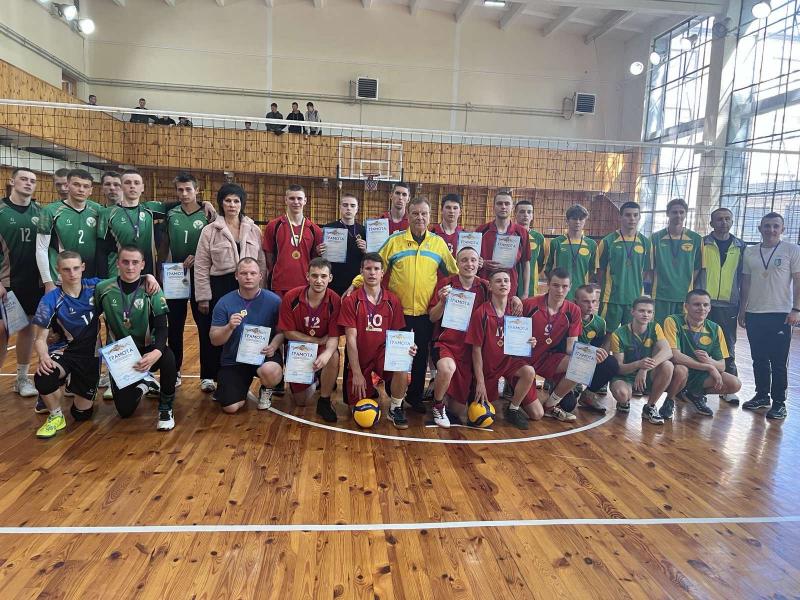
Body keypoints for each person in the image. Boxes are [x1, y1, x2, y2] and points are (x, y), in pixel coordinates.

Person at [347, 197, 458, 414]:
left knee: (420, 357)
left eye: (424, 213)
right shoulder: (395, 241)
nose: (420, 217)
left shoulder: (438, 244)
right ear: (408, 215)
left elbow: (454, 272)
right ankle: (395, 396)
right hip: (398, 313)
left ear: (430, 216)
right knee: (397, 356)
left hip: (425, 313)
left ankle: (415, 398)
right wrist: (355, 284)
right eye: (415, 213)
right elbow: (375, 265)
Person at [31, 251, 159, 438]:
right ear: (58, 270)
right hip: (65, 352)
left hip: (90, 357)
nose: (72, 273)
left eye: (76, 268)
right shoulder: (50, 299)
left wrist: (148, 276)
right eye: (66, 269)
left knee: (81, 414)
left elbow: (127, 278)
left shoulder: (96, 286)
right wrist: (43, 356)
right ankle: (55, 415)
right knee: (44, 376)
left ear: (83, 267)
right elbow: (40, 339)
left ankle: (72, 385)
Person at [94, 246, 176, 430]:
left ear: (143, 264)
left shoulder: (152, 288)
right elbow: (91, 318)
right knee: (125, 411)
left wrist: (157, 351)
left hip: (148, 348)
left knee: (168, 358)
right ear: (117, 263)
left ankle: (166, 407)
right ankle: (145, 383)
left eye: (135, 262)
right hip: (120, 354)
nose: (130, 267)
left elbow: (162, 327)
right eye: (125, 262)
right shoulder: (103, 288)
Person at [194, 183, 265, 393]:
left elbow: (261, 262)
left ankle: (239, 374)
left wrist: (261, 289)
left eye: (236, 201)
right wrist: (203, 296)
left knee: (243, 329)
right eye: (228, 201)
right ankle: (208, 375)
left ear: (242, 204)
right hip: (220, 286)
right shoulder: (210, 230)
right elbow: (201, 264)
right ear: (221, 203)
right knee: (214, 330)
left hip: (247, 286)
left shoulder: (254, 230)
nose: (232, 205)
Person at [339, 253, 416, 428]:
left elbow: (397, 336)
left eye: (376, 269)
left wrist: (408, 348)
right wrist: (357, 373)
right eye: (368, 268)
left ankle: (395, 408)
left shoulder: (393, 300)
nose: (372, 273)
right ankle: (368, 387)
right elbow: (350, 340)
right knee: (357, 410)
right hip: (361, 357)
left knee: (402, 361)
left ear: (382, 273)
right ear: (361, 272)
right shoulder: (351, 301)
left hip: (383, 354)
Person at [738, 212, 800, 420]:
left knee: (778, 362)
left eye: (775, 226)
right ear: (760, 228)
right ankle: (762, 395)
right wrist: (743, 309)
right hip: (755, 313)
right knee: (759, 358)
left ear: (782, 229)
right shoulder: (750, 251)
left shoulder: (792, 250)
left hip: (780, 314)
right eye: (767, 226)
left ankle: (779, 402)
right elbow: (746, 282)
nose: (771, 230)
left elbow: (798, 281)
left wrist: (796, 309)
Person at [99, 169, 215, 277]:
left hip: (148, 274)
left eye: (136, 183)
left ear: (142, 187)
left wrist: (204, 203)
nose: (132, 186)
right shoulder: (107, 213)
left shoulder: (150, 208)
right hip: (118, 274)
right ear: (121, 187)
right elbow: (101, 251)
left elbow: (185, 203)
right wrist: (102, 278)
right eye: (127, 182)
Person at [466, 270, 541, 430]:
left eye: (506, 281)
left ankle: (513, 409)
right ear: (490, 286)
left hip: (509, 362)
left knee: (530, 376)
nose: (503, 284)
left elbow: (520, 339)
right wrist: (480, 382)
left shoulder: (515, 310)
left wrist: (529, 342)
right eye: (498, 281)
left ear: (511, 285)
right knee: (485, 413)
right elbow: (476, 350)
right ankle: (486, 390)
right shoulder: (481, 313)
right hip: (488, 368)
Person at [209, 258, 283, 414]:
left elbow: (282, 332)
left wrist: (274, 345)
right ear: (236, 276)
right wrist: (229, 327)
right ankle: (236, 387)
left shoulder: (275, 301)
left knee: (270, 371)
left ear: (260, 276)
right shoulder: (224, 302)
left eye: (253, 273)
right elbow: (214, 340)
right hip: (234, 360)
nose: (248, 277)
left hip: (264, 356)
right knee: (230, 408)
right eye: (243, 273)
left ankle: (266, 389)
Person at [428, 246, 489, 427]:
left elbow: (504, 297)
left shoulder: (485, 286)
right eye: (464, 260)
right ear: (457, 263)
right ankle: (437, 405)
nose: (469, 264)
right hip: (446, 344)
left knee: (458, 411)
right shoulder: (446, 284)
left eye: (473, 260)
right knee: (447, 368)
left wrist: (515, 299)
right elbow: (432, 317)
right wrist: (442, 302)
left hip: (470, 348)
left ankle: (439, 391)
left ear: (478, 263)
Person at [161, 173, 210, 389]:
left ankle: (207, 375)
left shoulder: (208, 214)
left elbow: (214, 245)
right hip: (175, 276)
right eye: (180, 190)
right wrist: (160, 272)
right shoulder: (171, 214)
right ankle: (176, 371)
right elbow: (164, 245)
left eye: (188, 189)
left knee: (204, 326)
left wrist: (199, 257)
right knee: (175, 327)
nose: (184, 193)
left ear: (197, 190)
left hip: (201, 276)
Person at [278, 258, 341, 422]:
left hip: (323, 346)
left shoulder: (335, 300)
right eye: (314, 276)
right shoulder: (291, 297)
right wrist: (317, 341)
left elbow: (334, 336)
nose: (319, 280)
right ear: (307, 276)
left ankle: (324, 401)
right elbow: (287, 332)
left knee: (333, 355)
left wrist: (327, 353)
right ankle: (318, 379)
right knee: (301, 402)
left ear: (330, 278)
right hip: (299, 349)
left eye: (323, 276)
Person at [663, 289, 742, 417]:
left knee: (735, 384)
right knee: (681, 370)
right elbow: (675, 356)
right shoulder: (672, 321)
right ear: (686, 306)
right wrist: (709, 367)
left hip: (699, 374)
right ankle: (670, 400)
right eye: (696, 304)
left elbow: (722, 365)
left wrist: (710, 361)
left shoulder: (715, 328)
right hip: (677, 371)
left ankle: (695, 394)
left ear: (710, 308)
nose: (702, 308)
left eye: (705, 305)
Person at [0, 167, 43, 398]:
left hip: (32, 282)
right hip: (5, 282)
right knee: (2, 331)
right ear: (12, 181)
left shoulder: (40, 212)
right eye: (23, 179)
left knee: (27, 329)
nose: (28, 183)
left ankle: (21, 378)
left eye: (32, 181)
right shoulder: (1, 210)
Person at [608, 297, 684, 424]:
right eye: (641, 311)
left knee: (668, 366)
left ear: (653, 314)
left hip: (647, 373)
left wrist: (644, 368)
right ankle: (624, 402)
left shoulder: (655, 327)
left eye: (649, 312)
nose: (645, 314)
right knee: (622, 394)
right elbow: (619, 368)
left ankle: (650, 407)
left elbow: (668, 351)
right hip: (626, 375)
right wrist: (638, 364)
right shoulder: (618, 334)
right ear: (632, 312)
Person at [698, 207, 744, 405]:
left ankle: (728, 388)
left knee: (727, 346)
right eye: (719, 219)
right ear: (711, 223)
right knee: (699, 344)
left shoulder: (741, 247)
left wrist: (743, 307)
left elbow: (744, 278)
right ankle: (697, 387)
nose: (723, 222)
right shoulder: (702, 244)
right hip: (703, 303)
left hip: (728, 305)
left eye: (727, 219)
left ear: (732, 222)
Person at [37, 169, 104, 291]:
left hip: (90, 277)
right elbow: (41, 248)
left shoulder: (98, 210)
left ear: (91, 190)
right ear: (67, 185)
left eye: (85, 186)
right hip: (60, 278)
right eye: (76, 185)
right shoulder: (50, 211)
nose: (81, 189)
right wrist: (48, 282)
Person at [596, 201, 652, 332]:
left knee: (632, 334)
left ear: (639, 217)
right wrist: (608, 288)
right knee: (606, 334)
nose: (632, 218)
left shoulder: (646, 242)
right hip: (611, 298)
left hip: (635, 299)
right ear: (620, 217)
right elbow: (600, 271)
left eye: (635, 215)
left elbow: (646, 271)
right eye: (628, 215)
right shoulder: (608, 241)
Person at [263, 184, 323, 297]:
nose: (296, 202)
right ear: (286, 200)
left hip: (305, 284)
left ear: (305, 201)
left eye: (299, 198)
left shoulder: (315, 230)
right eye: (292, 198)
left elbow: (316, 258)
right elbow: (269, 256)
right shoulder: (273, 226)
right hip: (279, 284)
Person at [649, 199, 703, 323]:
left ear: (685, 214)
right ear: (667, 214)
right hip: (661, 295)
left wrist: (685, 282)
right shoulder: (655, 238)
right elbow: (650, 268)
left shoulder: (696, 239)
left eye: (681, 212)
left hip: (684, 295)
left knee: (681, 328)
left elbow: (697, 267)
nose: (678, 215)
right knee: (660, 328)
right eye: (674, 212)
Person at [572, 284, 620, 413]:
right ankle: (556, 383)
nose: (590, 305)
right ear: (575, 301)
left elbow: (597, 347)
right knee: (568, 404)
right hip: (566, 359)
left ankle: (588, 394)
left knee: (611, 363)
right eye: (586, 301)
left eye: (593, 301)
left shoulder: (600, 323)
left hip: (585, 360)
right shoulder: (568, 317)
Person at [475, 191, 532, 299]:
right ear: (493, 207)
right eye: (499, 203)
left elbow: (526, 263)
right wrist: (482, 263)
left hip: (509, 287)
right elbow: (472, 259)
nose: (503, 207)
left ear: (512, 207)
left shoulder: (521, 232)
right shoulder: (481, 231)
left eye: (507, 203)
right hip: (484, 285)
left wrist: (525, 292)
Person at [545, 204, 597, 300]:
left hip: (581, 294)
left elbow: (592, 271)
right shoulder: (556, 242)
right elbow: (548, 269)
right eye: (574, 218)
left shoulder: (591, 244)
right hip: (560, 293)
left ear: (585, 221)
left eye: (581, 219)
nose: (578, 222)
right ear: (567, 220)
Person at [320, 193, 367, 297]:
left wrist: (365, 250)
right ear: (340, 207)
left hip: (355, 281)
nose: (348, 208)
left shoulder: (364, 231)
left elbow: (370, 258)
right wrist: (320, 251)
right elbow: (321, 256)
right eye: (345, 205)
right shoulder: (329, 228)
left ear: (357, 209)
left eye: (352, 205)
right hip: (334, 279)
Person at [514, 199, 547, 298]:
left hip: (530, 286)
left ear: (532, 216)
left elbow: (540, 263)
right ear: (515, 214)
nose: (526, 215)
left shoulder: (539, 238)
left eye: (529, 212)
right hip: (511, 282)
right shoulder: (509, 234)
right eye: (522, 212)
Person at [430, 193, 463, 257]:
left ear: (460, 212)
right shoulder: (431, 233)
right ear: (441, 210)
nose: (451, 211)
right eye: (448, 207)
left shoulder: (464, 235)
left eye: (455, 208)